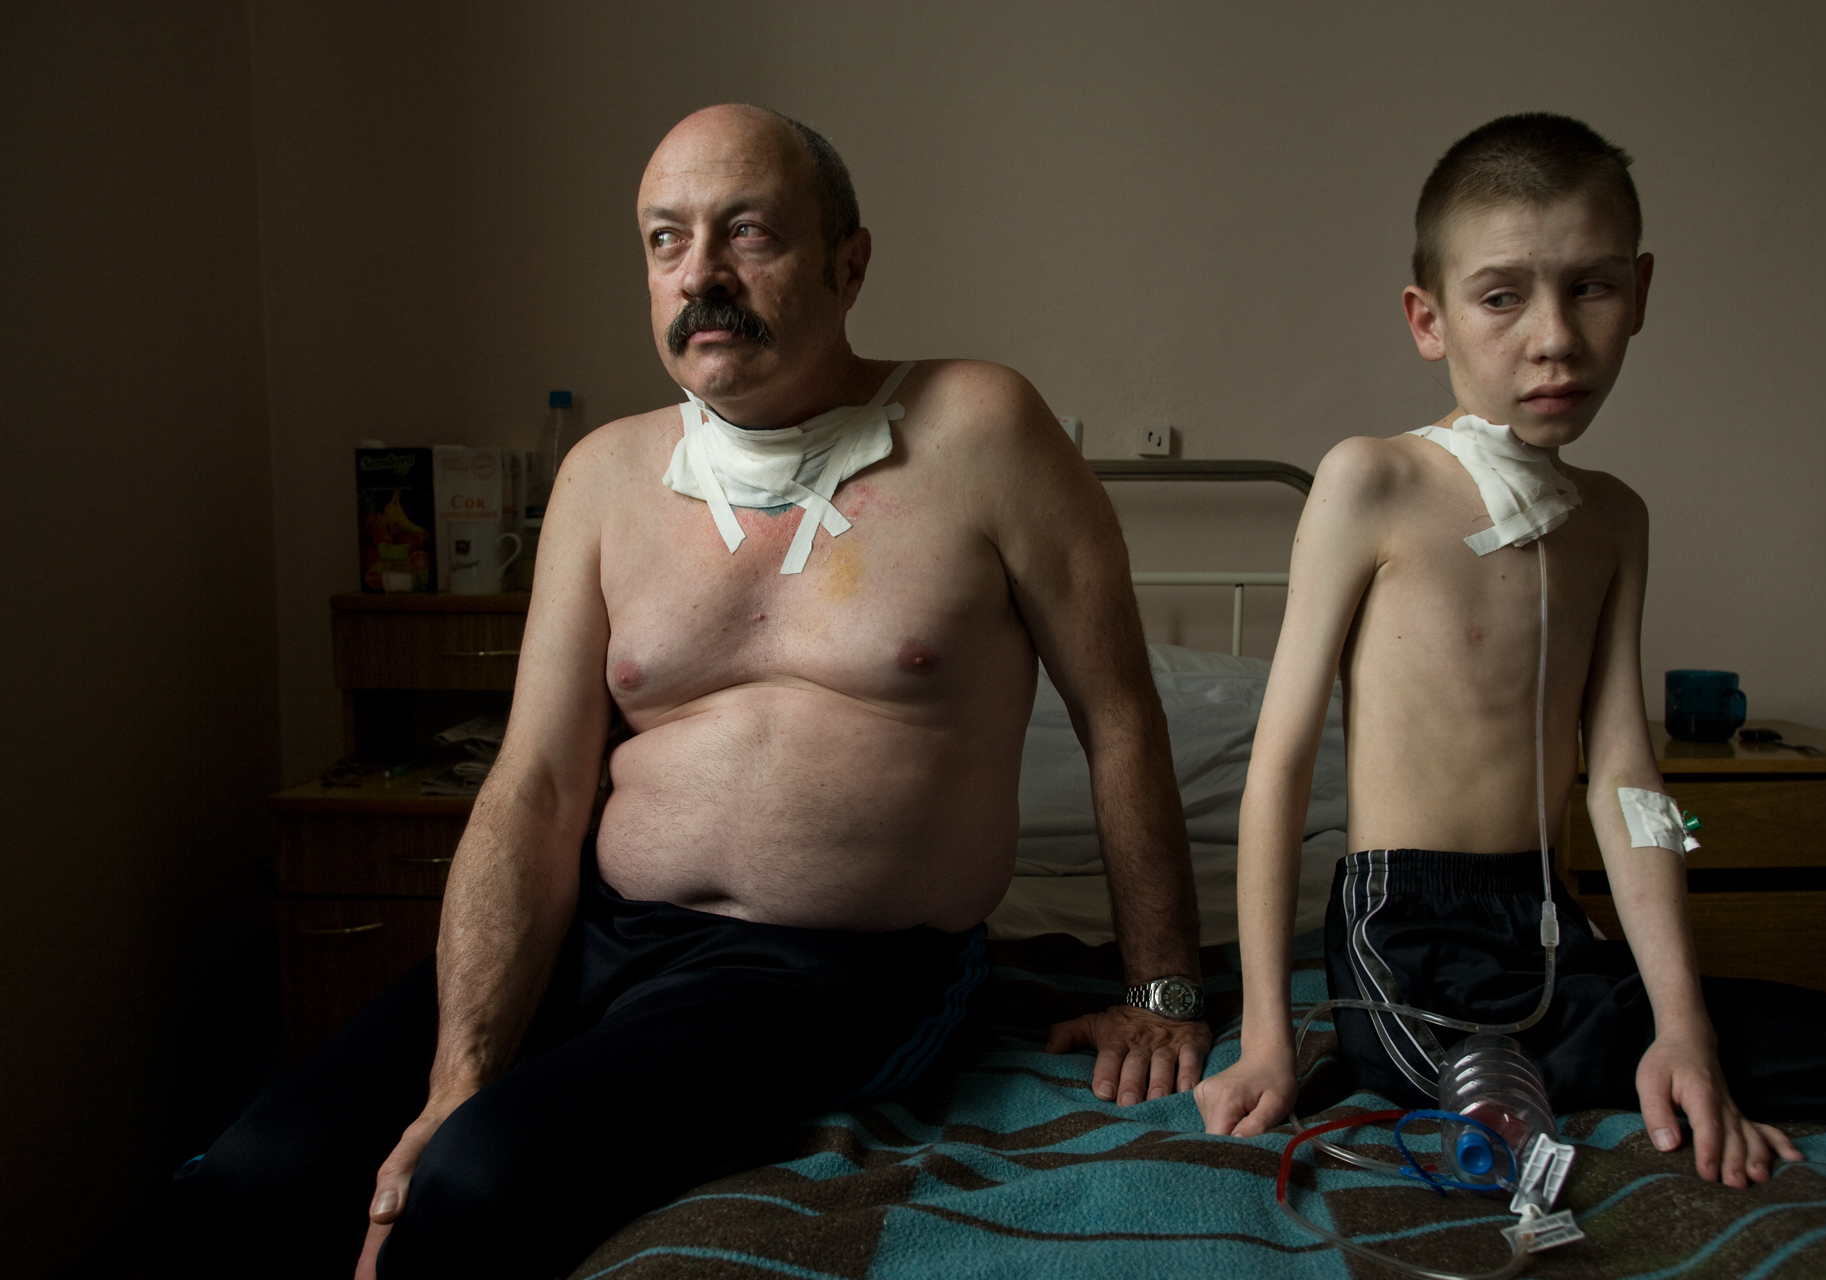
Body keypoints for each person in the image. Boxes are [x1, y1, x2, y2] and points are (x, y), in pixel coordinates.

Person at [167, 104, 1209, 1279]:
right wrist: (462, 1067)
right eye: (667, 240)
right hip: (601, 931)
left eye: (748, 232)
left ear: (849, 261)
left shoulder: (983, 428)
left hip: (834, 967)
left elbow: (1118, 713)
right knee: (256, 1174)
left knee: (474, 1182)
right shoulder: (605, 473)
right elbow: (538, 777)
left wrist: (1160, 987)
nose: (700, 273)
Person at [1195, 113, 1826, 1184]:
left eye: (1592, 286)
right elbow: (1282, 763)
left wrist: (1683, 1024)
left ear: (1641, 288)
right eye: (1501, 296)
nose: (1554, 336)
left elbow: (1627, 776)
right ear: (1427, 319)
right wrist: (1265, 1034)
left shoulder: (1613, 518)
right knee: (1507, 1073)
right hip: (1407, 931)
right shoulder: (1373, 482)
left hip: (1549, 923)